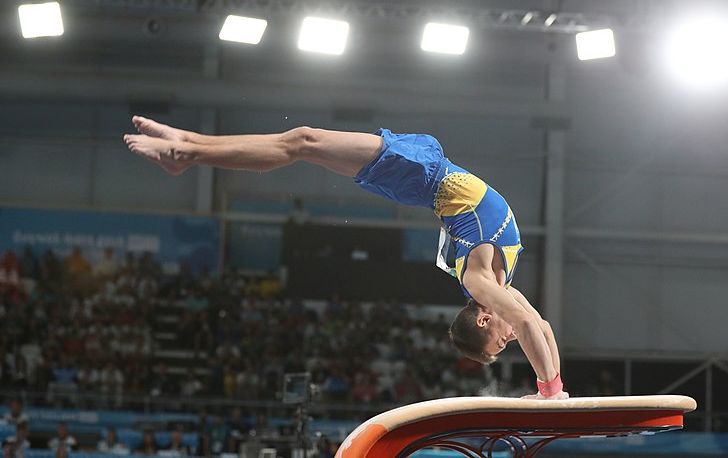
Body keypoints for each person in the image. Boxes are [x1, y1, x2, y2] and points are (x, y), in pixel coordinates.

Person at [123, 116, 566, 398]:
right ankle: (188, 147)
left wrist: (551, 394)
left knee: (301, 141)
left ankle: (189, 151)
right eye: (504, 343)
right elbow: (538, 326)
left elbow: (530, 327)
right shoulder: (491, 286)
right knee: (301, 142)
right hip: (424, 171)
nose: (510, 337)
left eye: (499, 342)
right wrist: (555, 391)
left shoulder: (480, 283)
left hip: (423, 175)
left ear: (485, 320)